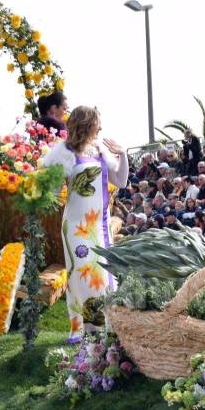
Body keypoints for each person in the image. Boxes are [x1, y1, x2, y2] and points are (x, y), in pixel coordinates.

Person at [43, 105, 129, 341]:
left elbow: (120, 180)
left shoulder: (101, 150)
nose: (101, 127)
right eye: (97, 122)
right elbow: (50, 187)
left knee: (101, 270)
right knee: (80, 272)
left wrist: (123, 155)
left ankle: (104, 324)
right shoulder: (64, 151)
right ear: (88, 123)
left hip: (98, 226)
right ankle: (79, 326)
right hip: (75, 225)